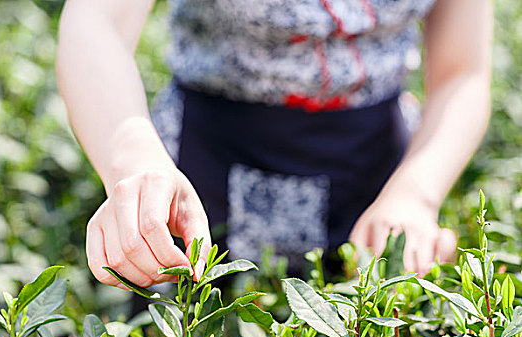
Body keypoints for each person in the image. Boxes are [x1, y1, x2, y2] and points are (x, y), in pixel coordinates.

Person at [56, 0, 492, 288]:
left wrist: (416, 195)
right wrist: (133, 158)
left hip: (382, 180)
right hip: (203, 170)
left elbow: (463, 71)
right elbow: (97, 22)